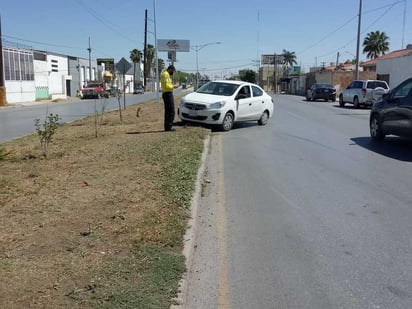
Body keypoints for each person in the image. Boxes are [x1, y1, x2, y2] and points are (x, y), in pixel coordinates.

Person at [160, 65, 177, 131]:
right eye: (172, 71)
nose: (172, 72)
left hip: (166, 94)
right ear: (170, 69)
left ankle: (167, 127)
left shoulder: (165, 74)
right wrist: (174, 86)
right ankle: (168, 127)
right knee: (171, 111)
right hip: (168, 94)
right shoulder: (166, 75)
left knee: (168, 111)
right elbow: (167, 86)